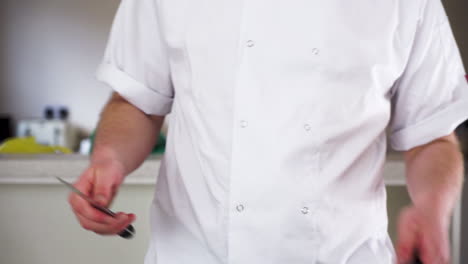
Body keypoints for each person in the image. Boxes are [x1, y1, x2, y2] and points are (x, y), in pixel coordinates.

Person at [68, 0, 468, 263]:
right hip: (193, 253)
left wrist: (432, 209)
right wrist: (110, 159)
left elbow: (432, 136)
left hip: (344, 255)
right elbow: (137, 101)